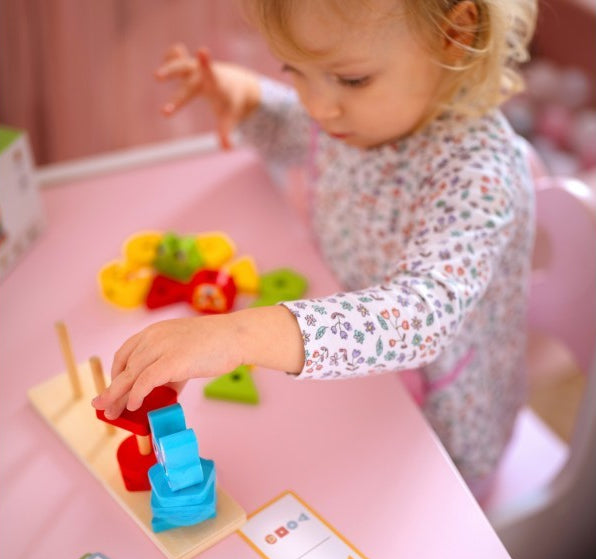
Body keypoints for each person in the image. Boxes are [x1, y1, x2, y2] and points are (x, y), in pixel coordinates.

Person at [92, 0, 538, 500]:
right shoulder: (362, 113)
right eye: (294, 71)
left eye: (351, 80)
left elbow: (421, 316)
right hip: (348, 378)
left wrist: (239, 334)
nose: (318, 106)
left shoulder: (478, 173)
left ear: (452, 36)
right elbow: (300, 134)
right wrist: (248, 99)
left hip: (441, 438)